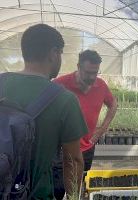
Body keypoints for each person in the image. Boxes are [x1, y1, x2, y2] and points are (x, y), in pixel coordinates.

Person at [0, 24, 87, 199]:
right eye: (61, 53)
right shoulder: (64, 100)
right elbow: (73, 161)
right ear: (53, 53)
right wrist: (73, 197)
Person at [53, 49, 117, 199]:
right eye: (88, 72)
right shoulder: (60, 84)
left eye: (95, 72)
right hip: (63, 149)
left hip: (87, 147)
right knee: (58, 188)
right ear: (78, 66)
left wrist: (101, 129)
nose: (92, 77)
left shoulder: (101, 85)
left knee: (80, 186)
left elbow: (113, 104)